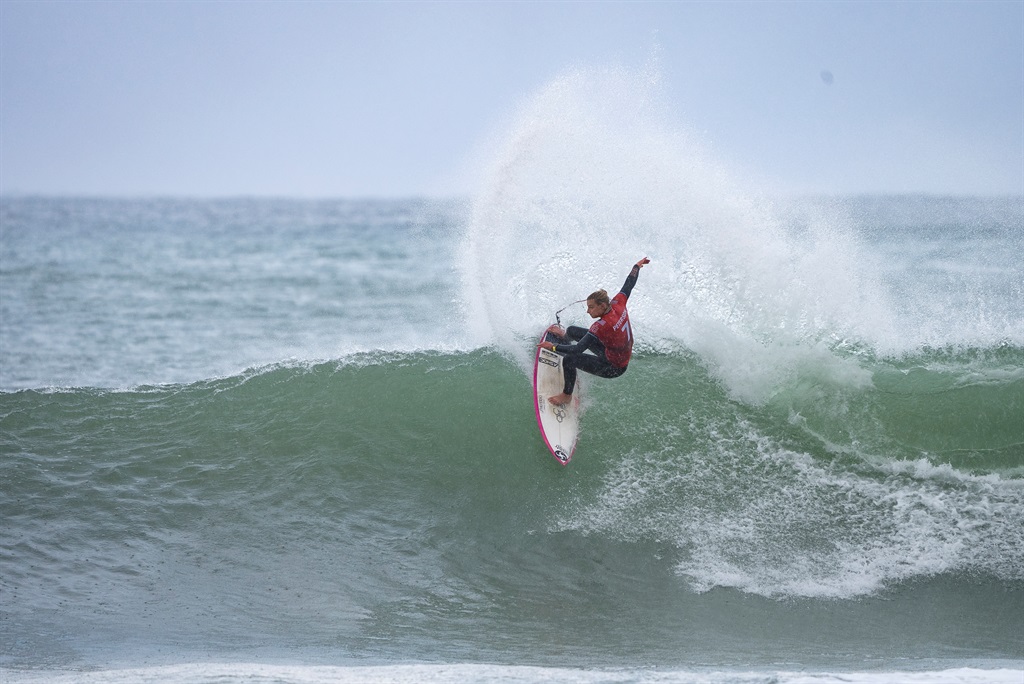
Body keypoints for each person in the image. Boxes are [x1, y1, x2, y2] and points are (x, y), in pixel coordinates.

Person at [538, 257, 650, 406]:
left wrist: (551, 346)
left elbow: (577, 349)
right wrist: (636, 267)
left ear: (603, 305)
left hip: (613, 367)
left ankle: (566, 396)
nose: (588, 311)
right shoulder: (618, 303)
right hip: (612, 351)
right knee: (572, 330)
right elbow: (628, 285)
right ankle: (564, 337)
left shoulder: (602, 325)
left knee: (569, 360)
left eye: (591, 307)